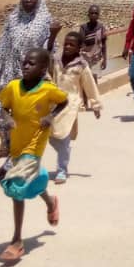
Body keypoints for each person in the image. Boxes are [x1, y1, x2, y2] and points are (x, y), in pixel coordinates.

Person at [0, 0, 60, 169]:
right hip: (11, 77)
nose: (28, 0)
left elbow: (49, 52)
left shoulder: (45, 21)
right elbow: (1, 48)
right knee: (2, 119)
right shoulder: (13, 19)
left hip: (34, 79)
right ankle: (11, 155)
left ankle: (15, 163)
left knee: (28, 121)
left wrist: (53, 35)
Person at [0, 48, 66, 263]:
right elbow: (4, 107)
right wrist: (7, 118)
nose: (26, 65)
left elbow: (63, 101)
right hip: (17, 143)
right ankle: (50, 201)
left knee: (17, 186)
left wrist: (50, 116)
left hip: (35, 144)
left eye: (31, 63)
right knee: (29, 178)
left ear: (43, 69)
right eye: (25, 62)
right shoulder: (13, 87)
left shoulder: (48, 89)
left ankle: (17, 241)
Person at [48, 30, 102, 184]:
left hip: (70, 104)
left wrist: (95, 105)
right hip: (53, 102)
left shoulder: (81, 65)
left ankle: (61, 170)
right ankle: (64, 152)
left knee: (64, 136)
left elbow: (89, 85)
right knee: (50, 136)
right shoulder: (56, 59)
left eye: (72, 44)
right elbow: (49, 76)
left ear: (79, 48)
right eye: (66, 43)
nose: (68, 47)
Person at [78, 5, 108, 79]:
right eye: (92, 13)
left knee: (94, 78)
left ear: (98, 15)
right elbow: (81, 44)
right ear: (88, 15)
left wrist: (105, 59)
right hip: (85, 58)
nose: (93, 15)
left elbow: (104, 45)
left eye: (96, 13)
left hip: (96, 58)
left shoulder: (101, 28)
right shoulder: (83, 28)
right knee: (84, 78)